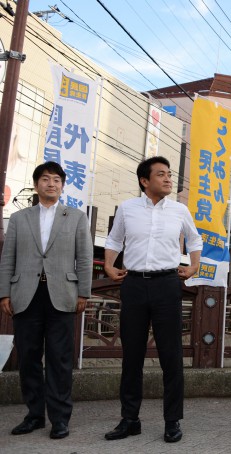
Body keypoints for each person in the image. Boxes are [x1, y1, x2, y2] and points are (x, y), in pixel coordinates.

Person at [103, 156, 202, 443]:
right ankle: (129, 419)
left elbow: (194, 240)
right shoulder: (127, 208)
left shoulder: (179, 210)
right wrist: (109, 266)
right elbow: (113, 240)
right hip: (133, 284)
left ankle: (172, 421)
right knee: (131, 356)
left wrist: (193, 266)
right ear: (145, 181)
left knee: (171, 356)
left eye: (169, 174)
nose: (169, 179)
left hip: (167, 285)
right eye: (161, 174)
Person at [0, 162, 93, 439]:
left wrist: (83, 292)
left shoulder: (75, 217)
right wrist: (4, 292)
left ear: (63, 186)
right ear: (36, 184)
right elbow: (8, 259)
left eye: (56, 180)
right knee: (28, 357)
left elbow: (85, 257)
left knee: (60, 359)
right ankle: (34, 415)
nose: (51, 184)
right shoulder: (19, 218)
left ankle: (60, 419)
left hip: (62, 295)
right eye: (45, 179)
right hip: (26, 294)